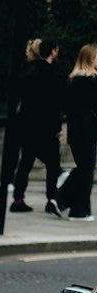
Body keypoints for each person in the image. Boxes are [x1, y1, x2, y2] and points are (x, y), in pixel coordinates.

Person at [11, 38, 62, 214]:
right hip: (46, 127)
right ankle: (52, 198)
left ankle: (18, 198)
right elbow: (55, 105)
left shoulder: (27, 72)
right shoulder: (53, 76)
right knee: (53, 165)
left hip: (27, 125)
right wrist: (57, 128)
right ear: (53, 52)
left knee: (25, 162)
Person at [54, 45, 97, 221]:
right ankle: (75, 207)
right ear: (91, 59)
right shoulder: (92, 80)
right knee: (86, 171)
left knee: (83, 168)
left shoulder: (72, 80)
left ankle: (68, 202)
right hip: (89, 129)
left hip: (75, 130)